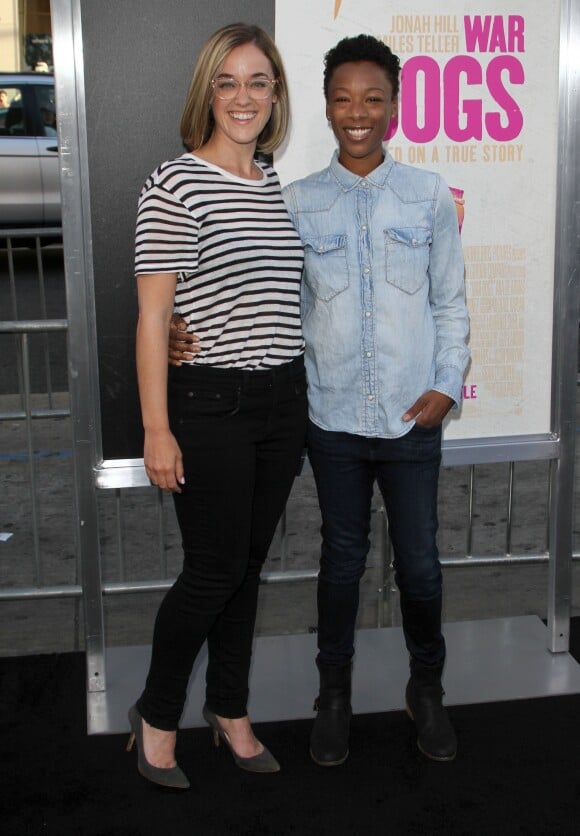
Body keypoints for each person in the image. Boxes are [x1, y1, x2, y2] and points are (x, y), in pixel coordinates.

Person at [170, 33, 470, 766]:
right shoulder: (294, 199)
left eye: (373, 98)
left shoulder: (428, 194)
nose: (357, 112)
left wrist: (445, 382)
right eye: (343, 99)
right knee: (339, 564)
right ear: (326, 108)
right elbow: (255, 284)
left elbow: (451, 303)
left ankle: (425, 690)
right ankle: (331, 695)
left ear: (395, 107)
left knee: (422, 566)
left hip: (410, 420)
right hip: (330, 419)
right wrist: (186, 327)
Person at [129, 22, 308, 790]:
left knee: (247, 570)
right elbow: (151, 318)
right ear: (207, 92)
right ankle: (157, 716)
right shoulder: (174, 183)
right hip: (210, 406)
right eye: (228, 82)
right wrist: (157, 428)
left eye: (258, 81)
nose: (244, 97)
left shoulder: (270, 182)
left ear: (276, 95)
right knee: (211, 573)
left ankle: (230, 712)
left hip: (281, 401)